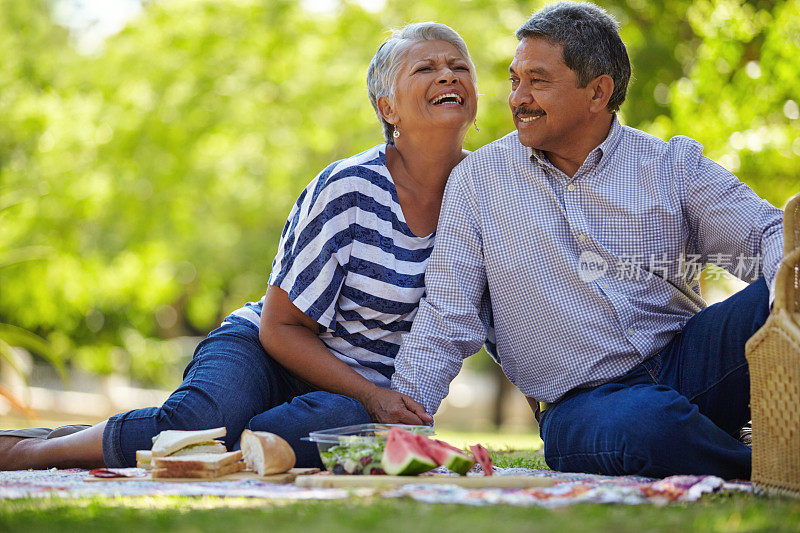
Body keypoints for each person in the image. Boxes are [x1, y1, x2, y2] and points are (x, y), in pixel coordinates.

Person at [0, 21, 478, 470]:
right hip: (267, 349)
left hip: (348, 398)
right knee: (197, 425)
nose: (448, 77)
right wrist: (376, 398)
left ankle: (221, 442)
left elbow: (513, 306)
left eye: (460, 67)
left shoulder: (489, 193)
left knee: (327, 431)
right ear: (386, 107)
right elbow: (281, 326)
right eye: (426, 68)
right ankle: (32, 451)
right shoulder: (349, 187)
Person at [392, 2, 786, 480]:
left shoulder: (669, 165)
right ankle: (764, 466)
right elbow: (447, 314)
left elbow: (769, 231)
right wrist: (398, 425)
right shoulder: (477, 181)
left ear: (598, 92)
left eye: (538, 81)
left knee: (790, 284)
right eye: (515, 80)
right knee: (646, 426)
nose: (519, 97)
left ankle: (707, 438)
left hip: (689, 360)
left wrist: (784, 286)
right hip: (583, 405)